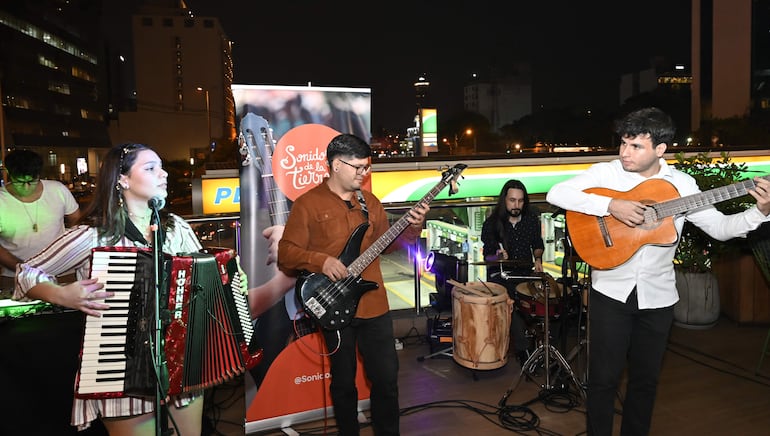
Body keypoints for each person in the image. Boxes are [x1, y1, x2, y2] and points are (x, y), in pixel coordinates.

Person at [546, 107, 770, 436]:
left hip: (659, 299)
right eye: (623, 143)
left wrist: (759, 212)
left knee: (645, 382)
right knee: (602, 380)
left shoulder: (681, 185)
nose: (624, 153)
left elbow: (722, 228)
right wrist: (612, 205)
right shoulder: (607, 173)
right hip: (610, 293)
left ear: (660, 149)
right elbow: (557, 193)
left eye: (635, 146)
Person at [14, 143, 208, 434]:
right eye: (151, 168)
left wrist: (229, 277)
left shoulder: (176, 227)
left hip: (181, 366)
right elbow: (25, 272)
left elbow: (205, 280)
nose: (164, 174)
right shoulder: (94, 235)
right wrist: (61, 294)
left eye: (162, 166)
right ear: (123, 179)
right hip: (117, 372)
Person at [277, 133, 429, 435]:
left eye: (366, 167)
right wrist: (322, 262)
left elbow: (390, 244)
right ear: (335, 165)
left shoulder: (370, 202)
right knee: (343, 383)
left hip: (375, 307)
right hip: (334, 308)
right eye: (358, 167)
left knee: (386, 381)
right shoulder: (307, 204)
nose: (364, 173)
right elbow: (286, 254)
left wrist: (414, 226)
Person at [480, 179, 545, 366]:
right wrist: (498, 256)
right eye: (512, 200)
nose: (516, 205)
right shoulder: (492, 224)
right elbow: (487, 258)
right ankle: (523, 351)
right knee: (512, 304)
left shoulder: (531, 221)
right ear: (504, 200)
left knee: (548, 298)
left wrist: (538, 259)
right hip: (500, 276)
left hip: (524, 274)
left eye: (520, 201)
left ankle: (545, 346)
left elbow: (538, 245)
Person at [0, 149, 81, 297]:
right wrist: (23, 268)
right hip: (15, 276)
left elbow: (76, 219)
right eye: (19, 182)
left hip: (62, 273)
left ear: (39, 175)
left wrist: (65, 246)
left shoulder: (57, 190)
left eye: (31, 181)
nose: (26, 187)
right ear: (9, 174)